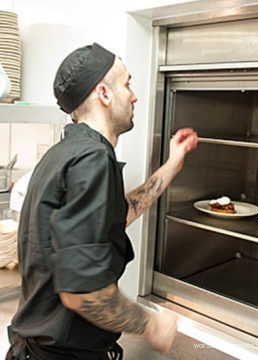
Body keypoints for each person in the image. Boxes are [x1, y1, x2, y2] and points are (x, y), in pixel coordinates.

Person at [6, 43, 198, 360]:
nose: (134, 95)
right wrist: (152, 324)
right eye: (127, 83)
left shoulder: (67, 152)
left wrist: (172, 164)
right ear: (104, 95)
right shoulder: (92, 160)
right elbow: (82, 292)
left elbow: (113, 216)